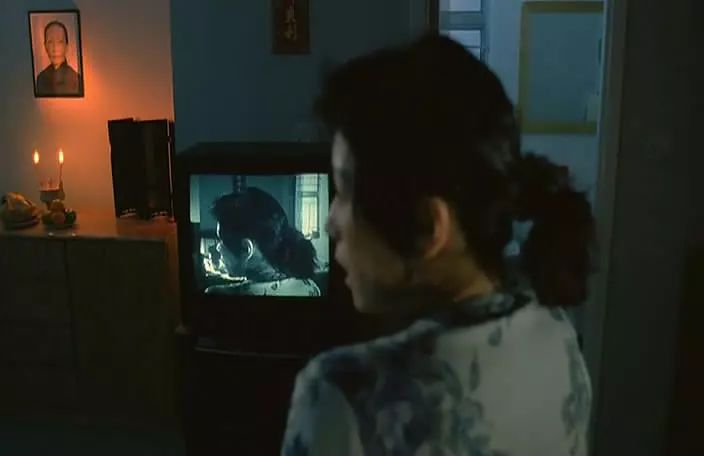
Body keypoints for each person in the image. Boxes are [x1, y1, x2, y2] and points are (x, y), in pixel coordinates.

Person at [281, 35, 594, 455]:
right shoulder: (557, 330)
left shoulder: (342, 396)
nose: (330, 221)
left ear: (429, 227)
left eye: (346, 191)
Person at [205, 187, 321, 297]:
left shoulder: (218, 293)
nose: (218, 247)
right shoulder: (310, 287)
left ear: (247, 249)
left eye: (222, 239)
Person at [35, 20, 81, 96]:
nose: (55, 48)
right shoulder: (41, 79)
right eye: (50, 42)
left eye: (60, 42)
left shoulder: (76, 79)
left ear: (67, 46)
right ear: (45, 46)